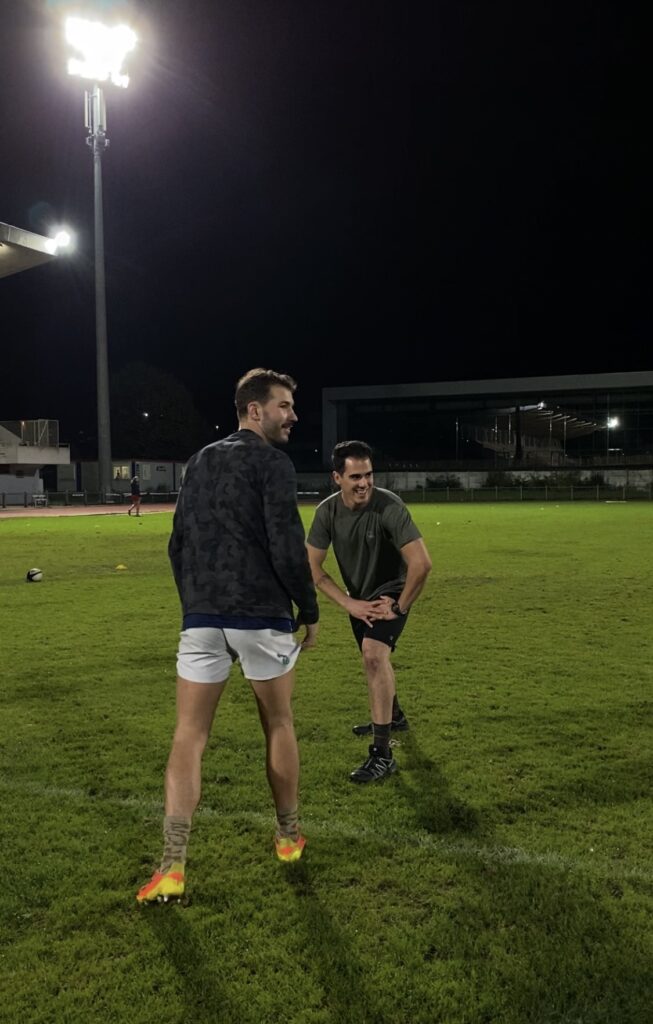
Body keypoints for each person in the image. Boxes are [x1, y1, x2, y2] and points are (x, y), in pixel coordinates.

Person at [137, 368, 319, 904]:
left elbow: (177, 544)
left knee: (188, 735)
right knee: (279, 722)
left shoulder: (199, 460)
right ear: (254, 410)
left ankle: (172, 864)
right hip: (261, 615)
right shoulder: (272, 463)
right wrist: (308, 609)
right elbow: (287, 545)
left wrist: (194, 603)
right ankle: (288, 837)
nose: (292, 415)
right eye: (284, 406)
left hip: (202, 617)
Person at [306, 440, 431, 784]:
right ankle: (395, 716)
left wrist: (399, 605)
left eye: (369, 475)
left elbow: (422, 564)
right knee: (377, 659)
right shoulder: (327, 513)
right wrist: (349, 603)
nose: (364, 483)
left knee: (374, 656)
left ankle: (382, 755)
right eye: (355, 476)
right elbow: (312, 569)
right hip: (358, 598)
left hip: (390, 595)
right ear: (337, 477)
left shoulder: (389, 507)